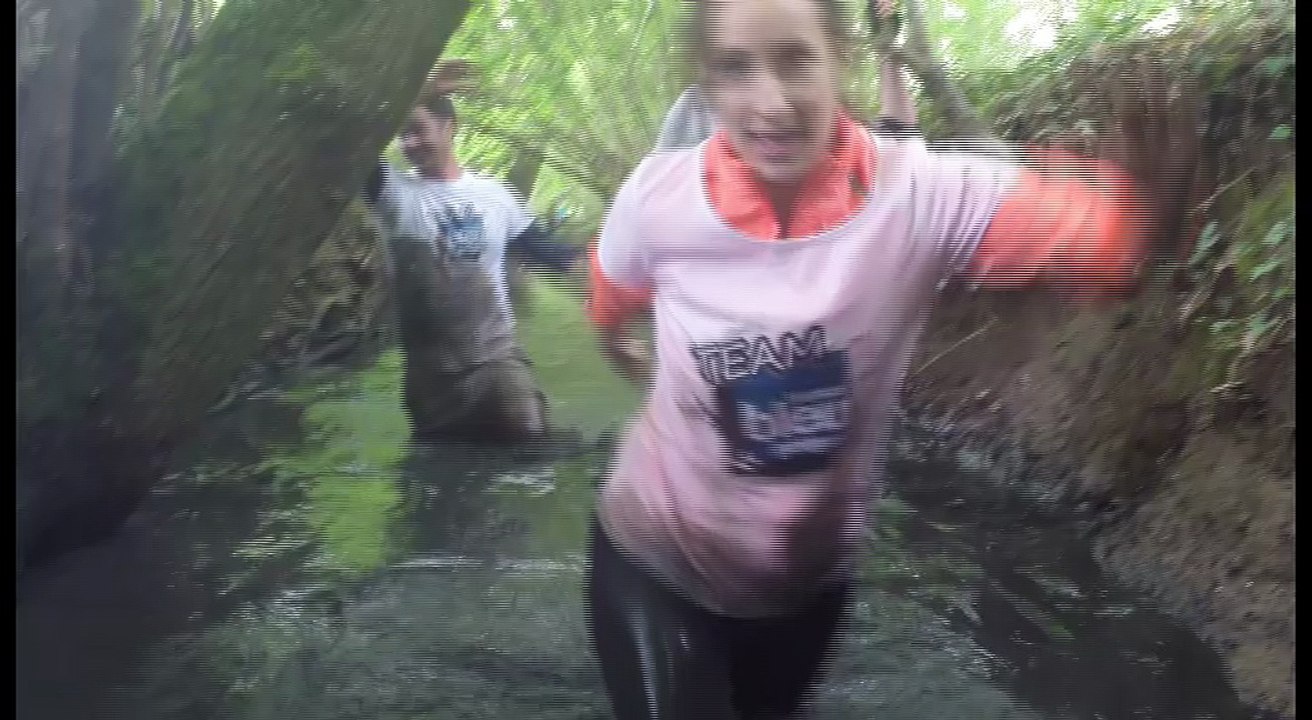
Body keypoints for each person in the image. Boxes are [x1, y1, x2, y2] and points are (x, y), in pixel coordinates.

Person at [582, 0, 1149, 718]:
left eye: (795, 59)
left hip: (806, 589)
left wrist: (1118, 220)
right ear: (707, 85)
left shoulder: (921, 195)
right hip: (654, 559)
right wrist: (616, 340)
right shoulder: (657, 198)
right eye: (736, 68)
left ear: (838, 60)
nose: (771, 102)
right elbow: (609, 293)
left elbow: (1095, 238)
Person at [364, 81, 579, 443]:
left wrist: (622, 277)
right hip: (430, 375)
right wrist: (415, 91)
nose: (409, 144)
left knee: (531, 448)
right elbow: (351, 141)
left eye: (418, 130)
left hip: (495, 357)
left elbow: (548, 252)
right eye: (403, 135)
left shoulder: (496, 194)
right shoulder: (393, 190)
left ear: (450, 126)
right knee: (438, 480)